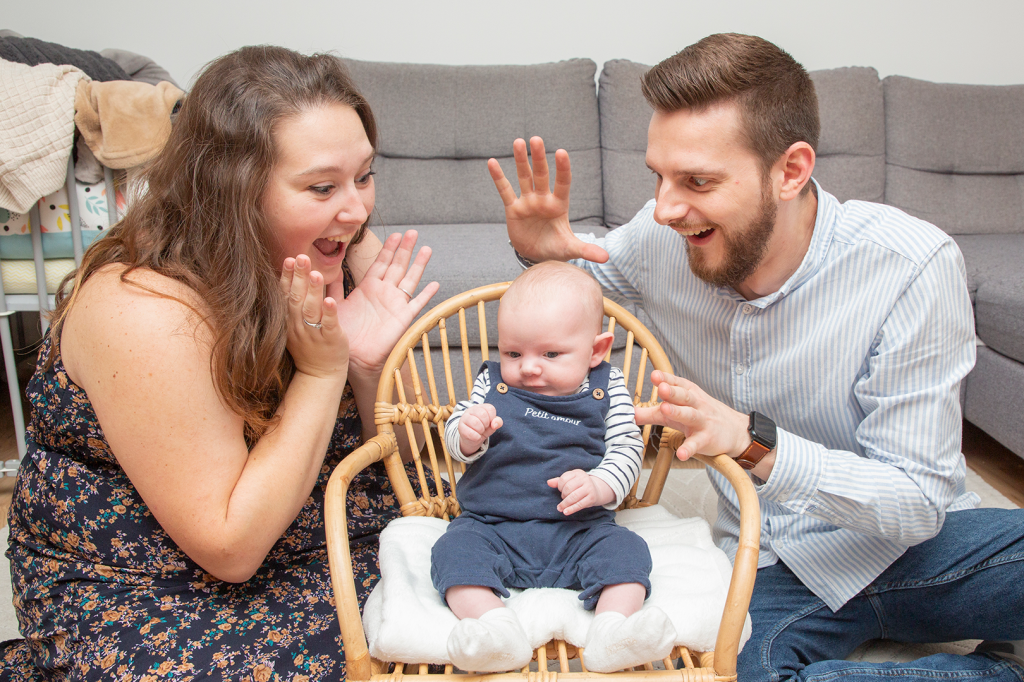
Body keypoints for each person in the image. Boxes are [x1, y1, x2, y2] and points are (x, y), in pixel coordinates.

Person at [490, 33, 1024, 682]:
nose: (664, 208)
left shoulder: (910, 266)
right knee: (730, 673)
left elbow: (918, 501)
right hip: (772, 562)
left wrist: (753, 443)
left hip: (914, 551)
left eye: (698, 181)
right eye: (658, 177)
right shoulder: (663, 238)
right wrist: (544, 254)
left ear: (791, 171)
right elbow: (573, 295)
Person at [1, 46, 440, 682]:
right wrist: (322, 373)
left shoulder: (343, 247)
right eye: (322, 187)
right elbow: (230, 548)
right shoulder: (143, 305)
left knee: (477, 599)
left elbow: (418, 473)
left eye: (364, 176)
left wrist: (369, 367)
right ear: (232, 189)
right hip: (152, 583)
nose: (358, 210)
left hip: (324, 533)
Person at [430, 262, 676, 673]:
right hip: (491, 525)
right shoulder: (492, 384)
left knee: (628, 553)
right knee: (452, 553)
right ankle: (495, 628)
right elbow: (456, 435)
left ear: (596, 350)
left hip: (580, 530)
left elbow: (627, 448)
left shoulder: (606, 386)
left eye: (550, 354)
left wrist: (599, 485)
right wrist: (469, 434)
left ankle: (613, 632)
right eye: (513, 353)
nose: (528, 367)